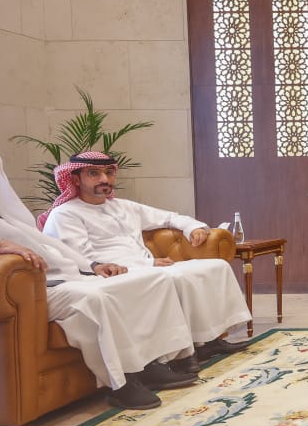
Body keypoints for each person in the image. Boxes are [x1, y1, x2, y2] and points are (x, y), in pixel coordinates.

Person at [0, 144, 199, 411]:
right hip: (25, 290)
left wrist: (93, 265)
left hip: (55, 278)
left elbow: (49, 246)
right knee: (95, 298)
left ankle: (149, 363)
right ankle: (122, 384)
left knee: (144, 282)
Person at [40, 151, 252, 365]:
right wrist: (147, 263)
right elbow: (83, 259)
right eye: (94, 173)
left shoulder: (123, 206)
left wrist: (193, 227)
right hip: (110, 274)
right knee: (170, 278)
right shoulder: (65, 214)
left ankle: (208, 340)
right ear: (76, 179)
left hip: (145, 266)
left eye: (109, 172)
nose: (104, 179)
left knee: (215, 266)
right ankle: (178, 354)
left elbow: (168, 217)